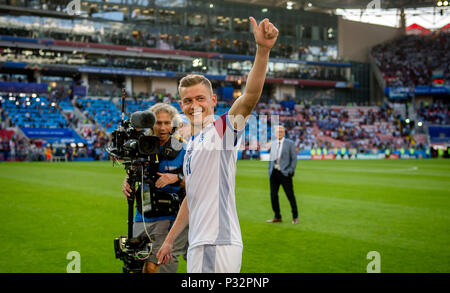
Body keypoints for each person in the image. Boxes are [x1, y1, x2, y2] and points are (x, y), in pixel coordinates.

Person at [156, 16, 279, 273]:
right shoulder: (191, 145)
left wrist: (263, 50)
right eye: (187, 100)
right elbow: (192, 198)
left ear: (212, 99)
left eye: (200, 98)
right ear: (181, 105)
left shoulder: (221, 130)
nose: (194, 105)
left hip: (216, 242)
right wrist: (169, 241)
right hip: (200, 244)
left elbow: (250, 97)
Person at [122, 103, 188, 273]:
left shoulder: (183, 148)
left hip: (169, 216)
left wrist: (177, 178)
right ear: (150, 124)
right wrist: (127, 180)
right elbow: (133, 170)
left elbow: (198, 181)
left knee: (156, 267)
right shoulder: (141, 146)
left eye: (167, 123)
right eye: (158, 123)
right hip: (142, 214)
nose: (163, 127)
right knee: (140, 266)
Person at [267, 125, 299, 224]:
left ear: (284, 133)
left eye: (281, 131)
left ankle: (295, 217)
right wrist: (270, 170)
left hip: (285, 174)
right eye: (277, 132)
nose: (279, 133)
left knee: (290, 195)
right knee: (273, 196)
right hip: (274, 173)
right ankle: (277, 216)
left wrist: (290, 171)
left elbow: (294, 159)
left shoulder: (290, 143)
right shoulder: (273, 143)